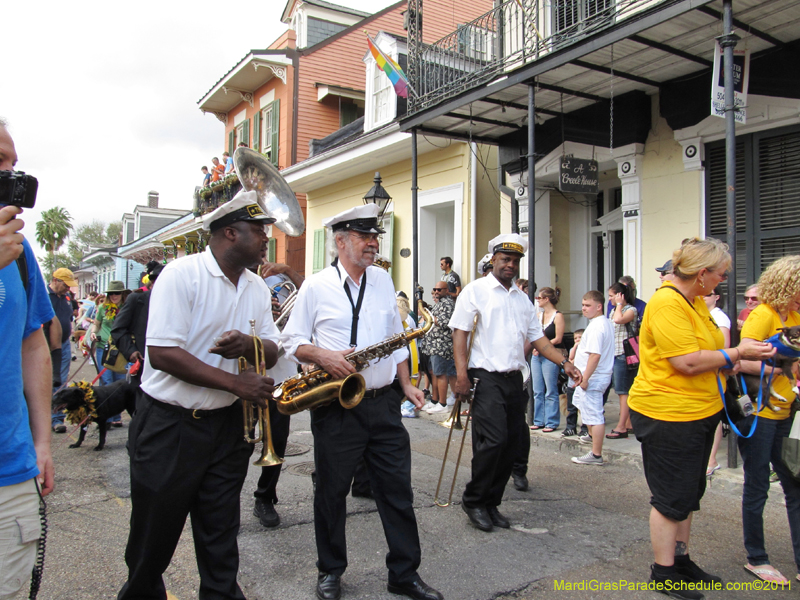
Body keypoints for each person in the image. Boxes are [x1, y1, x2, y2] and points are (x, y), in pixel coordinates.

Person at [117, 190, 279, 600]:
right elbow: (163, 353)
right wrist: (234, 383)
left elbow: (275, 348)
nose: (266, 239)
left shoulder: (258, 288)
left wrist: (250, 345)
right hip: (170, 428)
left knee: (221, 540)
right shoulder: (180, 274)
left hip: (226, 431)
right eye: (258, 230)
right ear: (229, 233)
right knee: (152, 546)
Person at [281, 204, 443, 600]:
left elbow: (398, 340)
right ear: (340, 241)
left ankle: (404, 574)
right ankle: (330, 571)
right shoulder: (316, 286)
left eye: (376, 236)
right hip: (337, 405)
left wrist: (406, 386)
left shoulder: (384, 280)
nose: (373, 243)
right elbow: (291, 341)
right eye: (364, 236)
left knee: (396, 491)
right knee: (332, 493)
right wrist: (323, 356)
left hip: (384, 403)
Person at [627, 237, 775, 599]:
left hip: (698, 412)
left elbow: (710, 352)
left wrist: (739, 358)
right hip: (668, 414)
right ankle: (663, 572)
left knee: (690, 492)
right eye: (721, 274)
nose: (723, 280)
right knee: (670, 498)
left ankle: (681, 561)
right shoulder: (667, 303)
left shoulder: (692, 301)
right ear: (702, 274)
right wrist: (736, 352)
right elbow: (687, 361)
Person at [450, 234, 582, 532]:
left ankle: (491, 503)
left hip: (515, 378)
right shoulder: (475, 291)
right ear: (493, 259)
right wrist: (460, 376)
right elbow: (459, 334)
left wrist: (566, 363)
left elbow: (540, 341)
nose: (510, 265)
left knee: (510, 444)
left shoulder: (522, 300)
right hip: (485, 377)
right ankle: (473, 500)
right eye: (505, 259)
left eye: (515, 261)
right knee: (494, 441)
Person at [0, 120, 56, 599]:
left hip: (11, 469)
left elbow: (32, 344)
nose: (11, 176)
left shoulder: (19, 252)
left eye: (13, 165)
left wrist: (41, 441)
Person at [737, 256, 800, 585]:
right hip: (760, 413)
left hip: (789, 412)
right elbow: (739, 358)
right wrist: (777, 367)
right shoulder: (762, 315)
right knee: (758, 484)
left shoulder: (795, 316)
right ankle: (757, 558)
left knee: (796, 484)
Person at [253, 261, 305, 529]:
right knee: (241, 441)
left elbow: (308, 291)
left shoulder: (284, 287)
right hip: (246, 376)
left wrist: (288, 270)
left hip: (281, 376)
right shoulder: (247, 288)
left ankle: (265, 496)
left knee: (277, 439)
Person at [569, 291, 615, 465]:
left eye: (588, 305)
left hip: (594, 376)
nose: (584, 308)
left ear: (599, 306)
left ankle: (596, 454)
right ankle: (591, 438)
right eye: (583, 305)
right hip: (596, 375)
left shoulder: (598, 326)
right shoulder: (602, 323)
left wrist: (585, 378)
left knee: (595, 414)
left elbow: (595, 355)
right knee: (586, 409)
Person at [110, 261, 164, 377]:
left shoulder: (179, 304)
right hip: (143, 365)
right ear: (153, 283)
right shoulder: (136, 300)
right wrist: (131, 351)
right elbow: (118, 329)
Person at [90, 280, 131, 426]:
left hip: (120, 349)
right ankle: (106, 417)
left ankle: (116, 416)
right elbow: (97, 325)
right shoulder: (103, 308)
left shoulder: (128, 307)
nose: (114, 296)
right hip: (104, 347)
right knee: (106, 381)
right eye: (111, 293)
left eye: (117, 293)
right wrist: (93, 334)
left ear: (122, 294)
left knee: (120, 383)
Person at [605, 281, 639, 440]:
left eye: (612, 296)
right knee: (624, 390)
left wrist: (619, 304)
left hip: (625, 355)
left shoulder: (630, 310)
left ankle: (621, 426)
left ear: (620, 296)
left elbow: (619, 320)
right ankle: (630, 423)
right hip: (615, 353)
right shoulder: (613, 311)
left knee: (623, 392)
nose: (610, 299)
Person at [529, 287, 566, 433]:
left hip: (550, 354)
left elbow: (558, 338)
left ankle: (551, 421)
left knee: (550, 389)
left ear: (547, 299)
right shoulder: (538, 315)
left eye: (539, 298)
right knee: (537, 389)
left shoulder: (558, 316)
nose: (537, 300)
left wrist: (543, 346)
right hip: (537, 355)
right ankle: (539, 420)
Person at [703, 286, 730, 477]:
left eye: (708, 295)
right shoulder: (702, 315)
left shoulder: (719, 317)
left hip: (713, 372)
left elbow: (724, 347)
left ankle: (712, 459)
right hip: (703, 372)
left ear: (717, 297)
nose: (703, 297)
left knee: (715, 417)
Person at [47, 267, 78, 432]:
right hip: (47, 345)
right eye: (65, 284)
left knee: (60, 382)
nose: (68, 288)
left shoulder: (67, 297)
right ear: (55, 281)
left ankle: (57, 419)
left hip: (64, 343)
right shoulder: (44, 296)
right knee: (46, 381)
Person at [425, 282, 457, 414]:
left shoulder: (448, 303)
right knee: (437, 373)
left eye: (439, 289)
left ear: (447, 290)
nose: (436, 291)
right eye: (435, 289)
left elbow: (445, 322)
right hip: (434, 344)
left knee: (441, 374)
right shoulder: (441, 303)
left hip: (441, 345)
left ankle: (442, 404)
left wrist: (430, 316)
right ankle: (436, 400)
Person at [561, 328, 584, 437]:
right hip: (572, 382)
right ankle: (570, 427)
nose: (577, 340)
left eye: (580, 337)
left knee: (583, 406)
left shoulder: (587, 349)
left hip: (582, 381)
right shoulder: (573, 349)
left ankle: (584, 428)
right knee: (571, 406)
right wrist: (575, 346)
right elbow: (570, 358)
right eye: (575, 338)